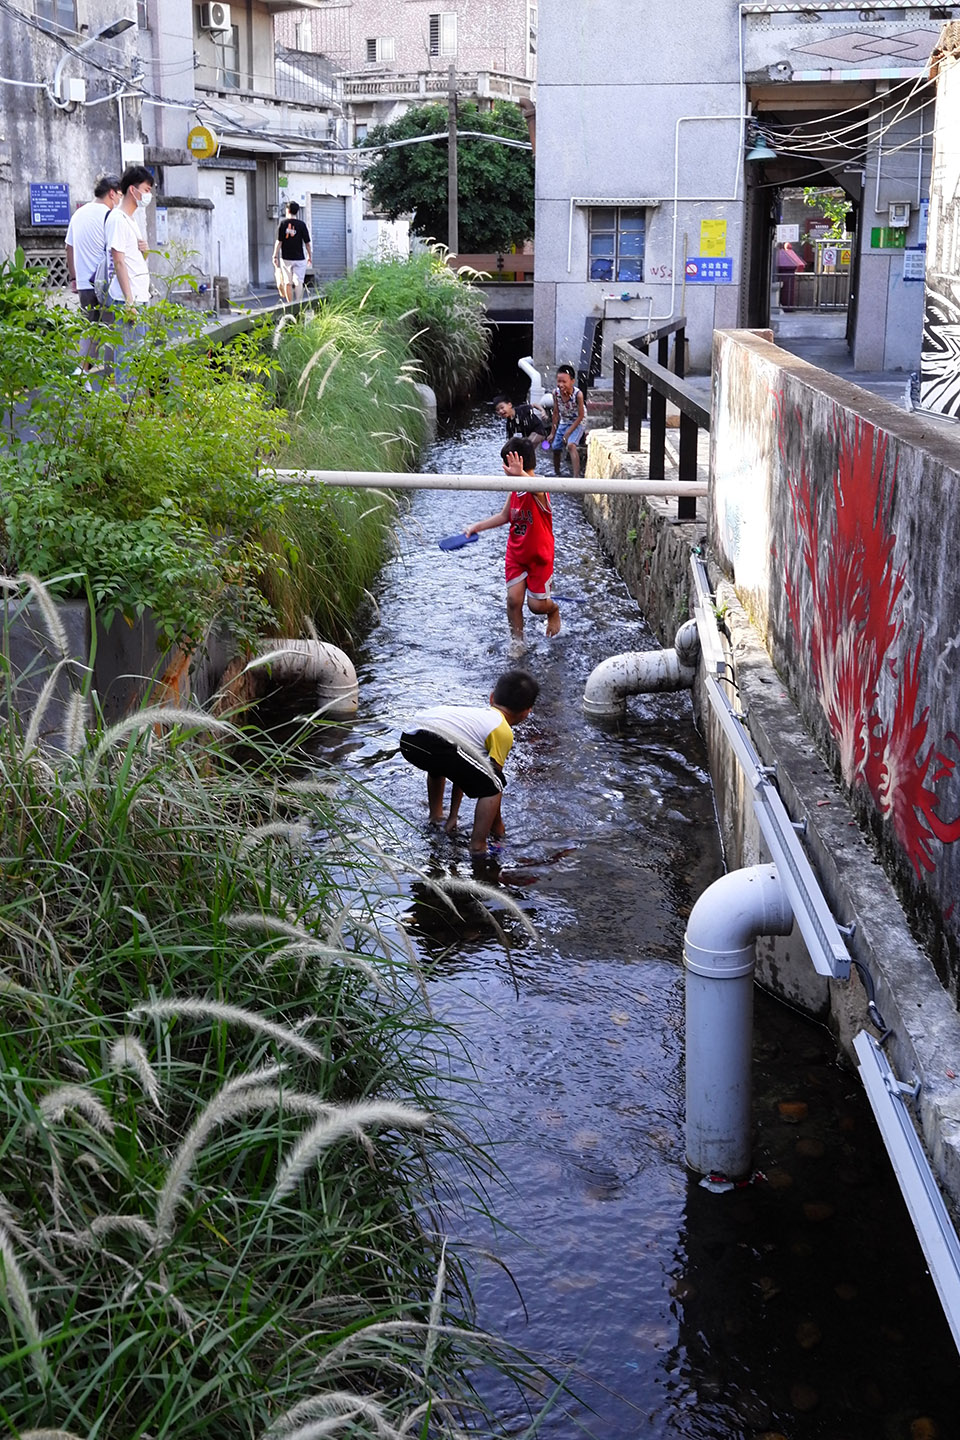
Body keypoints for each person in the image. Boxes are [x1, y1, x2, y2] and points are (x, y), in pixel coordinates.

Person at [400, 669, 539, 854]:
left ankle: (436, 817)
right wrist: (498, 829)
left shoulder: (477, 717)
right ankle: (478, 846)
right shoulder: (502, 729)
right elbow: (492, 782)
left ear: (491, 698)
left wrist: (453, 816)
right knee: (495, 784)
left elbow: (463, 773)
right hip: (436, 741)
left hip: (409, 737)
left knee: (440, 767)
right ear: (526, 712)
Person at [464, 436, 561, 641]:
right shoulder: (515, 491)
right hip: (516, 554)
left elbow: (539, 490)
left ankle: (553, 610)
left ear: (519, 464)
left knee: (536, 606)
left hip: (539, 557)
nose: (504, 471)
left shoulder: (539, 487)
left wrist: (521, 475)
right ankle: (517, 642)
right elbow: (504, 516)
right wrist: (477, 527)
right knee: (513, 601)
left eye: (506, 466)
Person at [65, 174, 122, 367]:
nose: (119, 201)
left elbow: (68, 248)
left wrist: (74, 278)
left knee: (89, 330)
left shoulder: (78, 214)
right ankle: (110, 378)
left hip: (84, 285)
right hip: (107, 285)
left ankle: (82, 376)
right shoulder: (110, 216)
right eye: (119, 195)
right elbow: (116, 251)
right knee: (111, 332)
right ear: (112, 193)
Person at [105, 164, 154, 385]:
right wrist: (128, 301)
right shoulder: (117, 218)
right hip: (129, 299)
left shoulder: (131, 220)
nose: (148, 195)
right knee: (127, 355)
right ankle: (125, 408)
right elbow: (118, 260)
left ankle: (133, 408)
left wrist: (143, 252)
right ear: (132, 190)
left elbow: (132, 261)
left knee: (138, 356)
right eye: (146, 189)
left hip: (139, 296)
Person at [547, 363, 586, 479]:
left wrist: (569, 432)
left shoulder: (578, 395)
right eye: (559, 381)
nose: (561, 384)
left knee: (571, 445)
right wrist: (552, 432)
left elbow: (581, 416)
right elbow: (555, 413)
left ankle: (576, 476)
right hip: (564, 420)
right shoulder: (556, 393)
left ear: (572, 381)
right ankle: (557, 473)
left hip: (578, 421)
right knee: (555, 447)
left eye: (564, 382)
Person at [272, 202, 313, 302]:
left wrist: (275, 256)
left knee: (287, 282)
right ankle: (298, 303)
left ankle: (290, 305)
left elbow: (279, 242)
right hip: (299, 258)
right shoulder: (302, 225)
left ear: (287, 210)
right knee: (298, 281)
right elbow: (307, 243)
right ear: (297, 212)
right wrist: (309, 256)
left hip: (286, 258)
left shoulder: (282, 224)